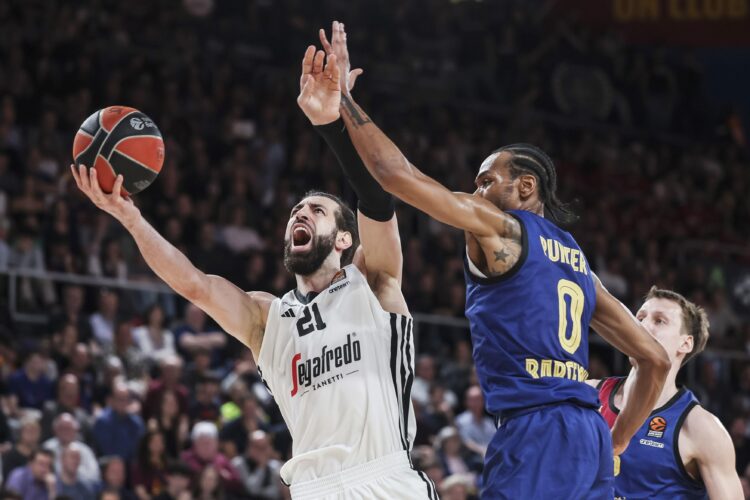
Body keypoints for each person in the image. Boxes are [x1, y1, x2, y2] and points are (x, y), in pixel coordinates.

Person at [305, 20, 671, 497]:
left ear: (526, 186)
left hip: (534, 431)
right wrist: (616, 442)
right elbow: (654, 359)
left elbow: (393, 174)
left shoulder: (500, 227)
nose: (476, 192)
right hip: (588, 438)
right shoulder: (579, 264)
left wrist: (345, 101)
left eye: (486, 181)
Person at [70, 36, 435, 495]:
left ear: (345, 238)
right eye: (295, 212)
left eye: (317, 211)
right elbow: (195, 285)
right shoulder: (269, 318)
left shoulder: (374, 284)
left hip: (386, 480)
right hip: (313, 490)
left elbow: (377, 200)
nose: (300, 215)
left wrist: (336, 116)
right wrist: (131, 219)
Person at [588, 287, 743, 499]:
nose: (642, 326)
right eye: (639, 318)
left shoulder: (701, 427)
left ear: (685, 343)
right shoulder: (587, 394)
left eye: (659, 321)